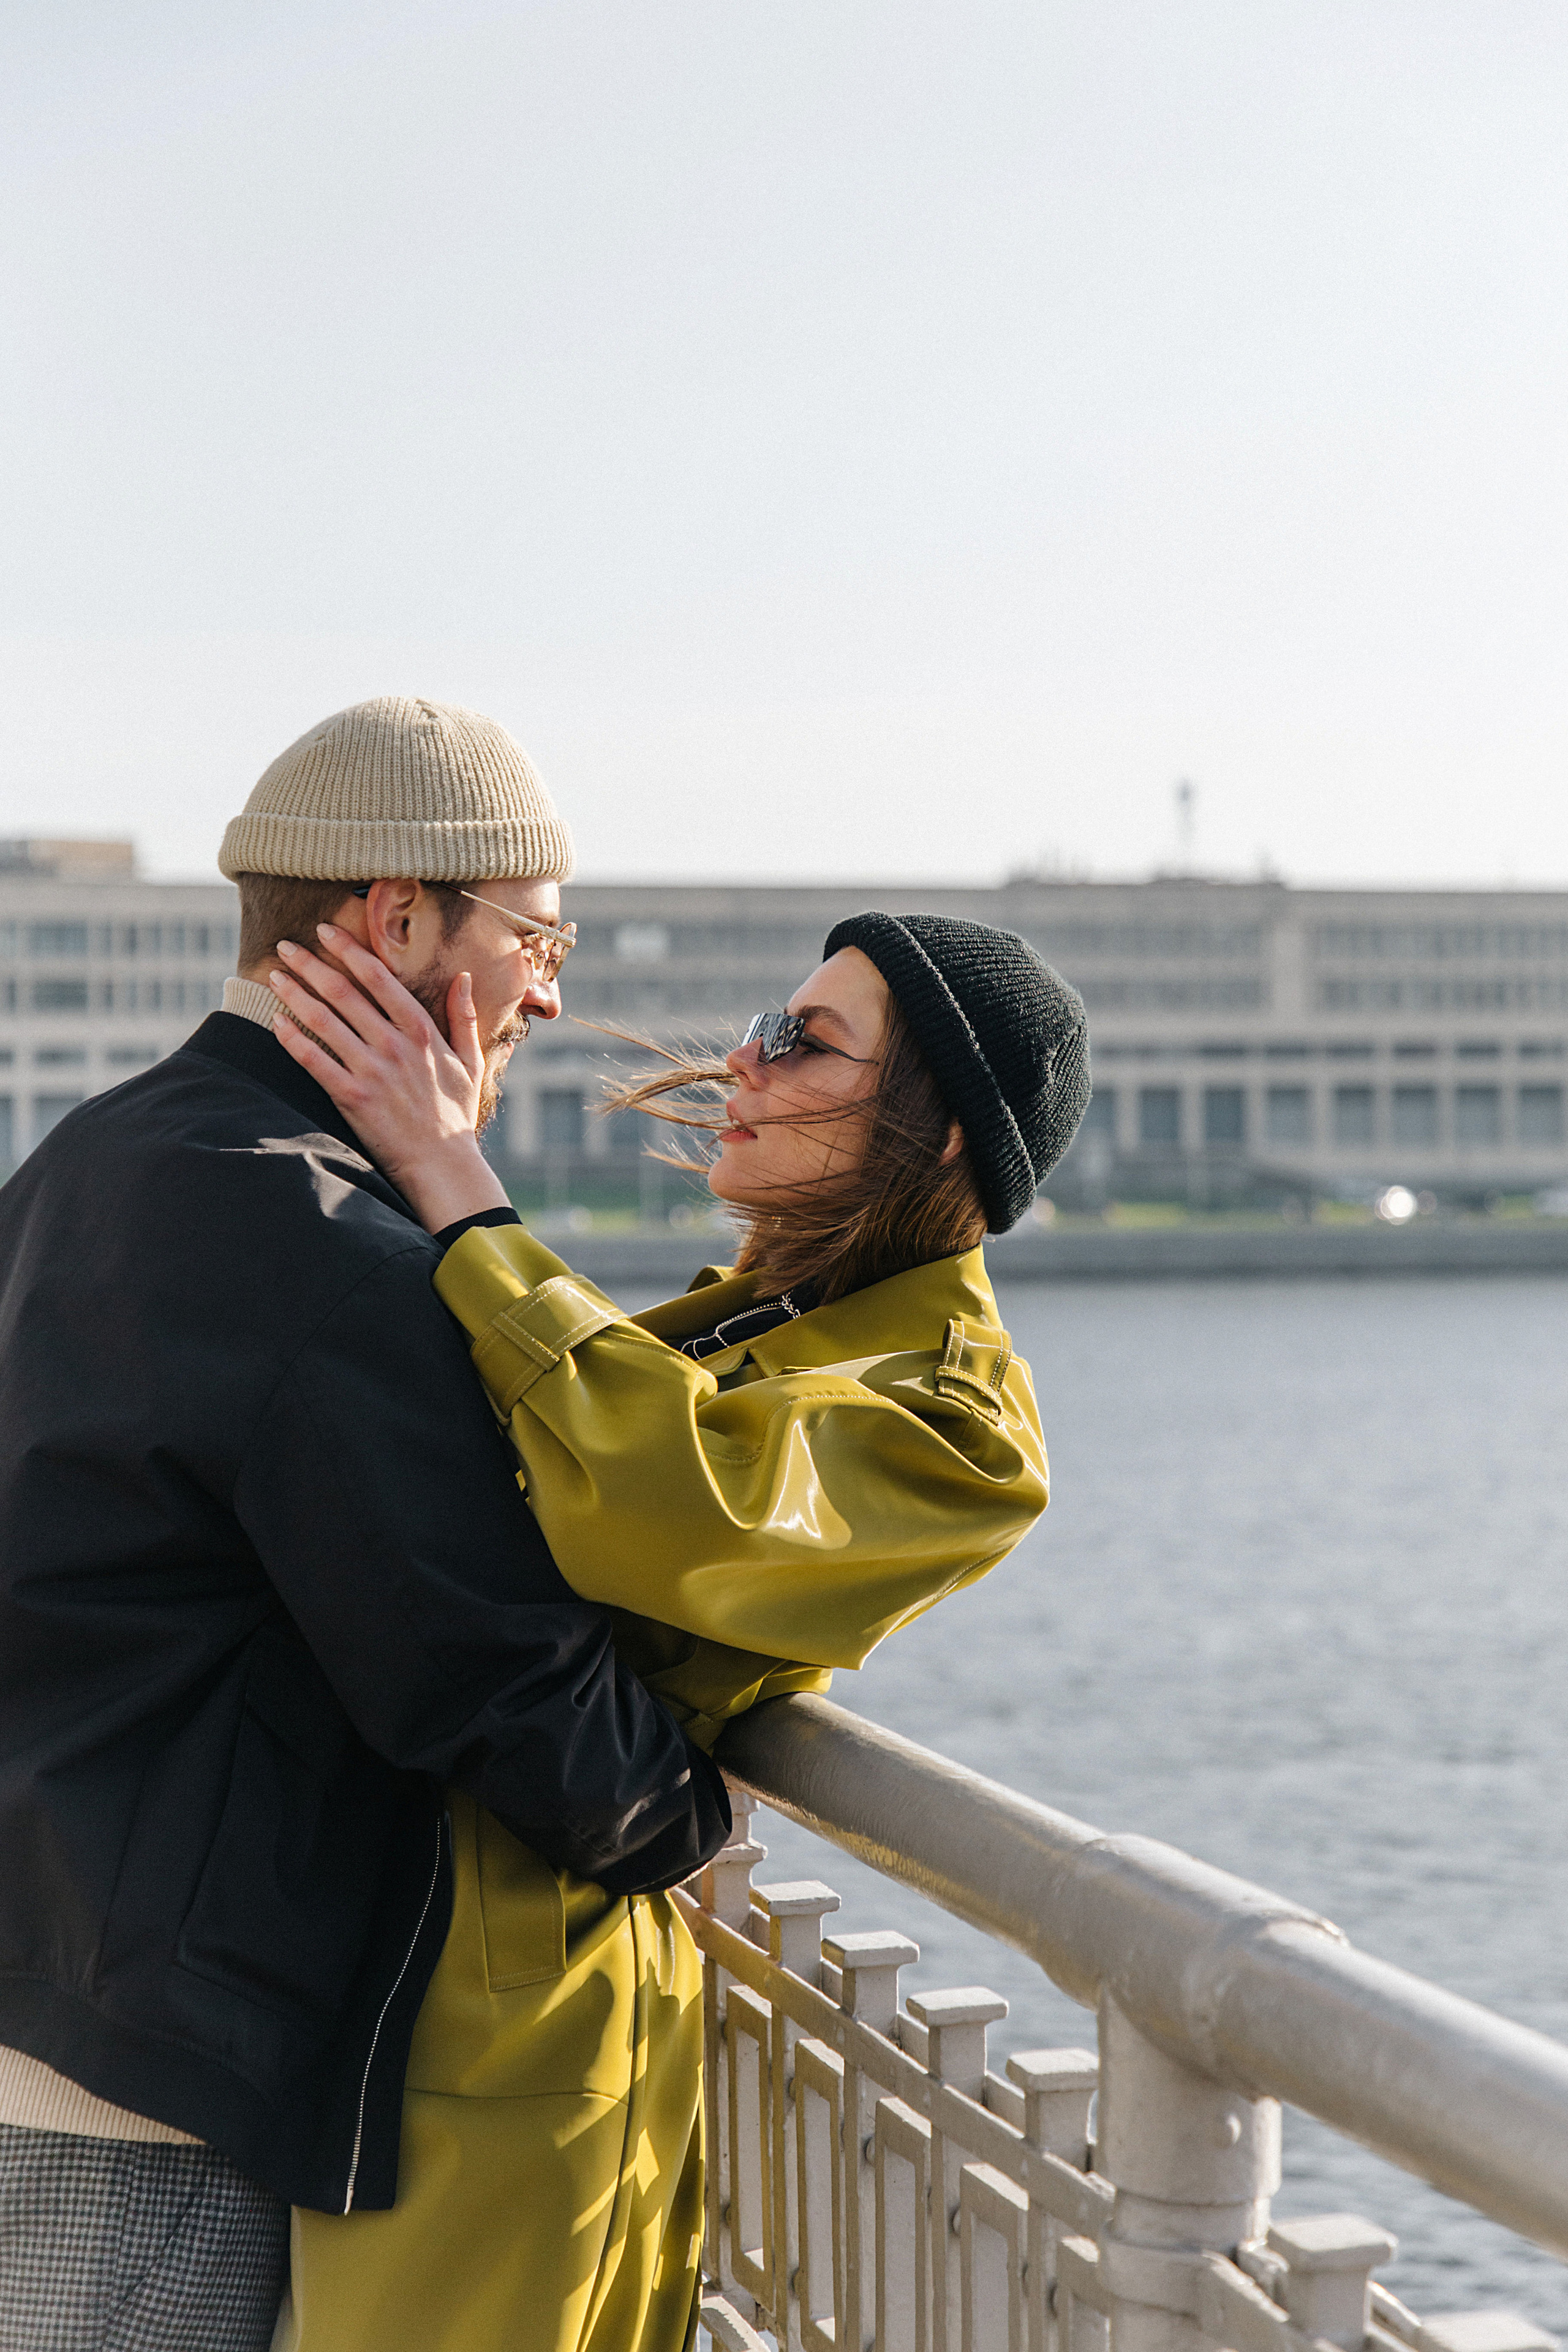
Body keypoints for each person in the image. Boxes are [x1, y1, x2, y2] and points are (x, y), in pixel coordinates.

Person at [260, 896, 1090, 2352]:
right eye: (765, 1026)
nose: (742, 1062)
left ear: (944, 1128)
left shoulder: (956, 1423)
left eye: (805, 1041)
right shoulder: (752, 1319)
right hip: (428, 1948)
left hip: (512, 1993)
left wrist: (452, 1179)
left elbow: (663, 1502)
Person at [0, 698, 729, 2352]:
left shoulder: (87, 1158)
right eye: (535, 939)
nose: (552, 992)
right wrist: (680, 1815)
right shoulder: (324, 1238)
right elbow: (482, 1666)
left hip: (52, 1982)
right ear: (397, 919)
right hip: (143, 2086)